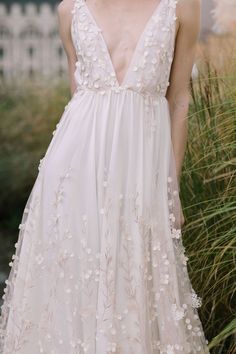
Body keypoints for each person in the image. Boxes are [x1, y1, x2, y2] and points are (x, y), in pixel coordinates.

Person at [0, 0, 210, 352]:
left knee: (136, 284)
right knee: (75, 288)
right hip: (74, 174)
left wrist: (170, 188)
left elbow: (179, 99)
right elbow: (79, 98)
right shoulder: (70, 10)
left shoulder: (183, 6)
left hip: (144, 173)